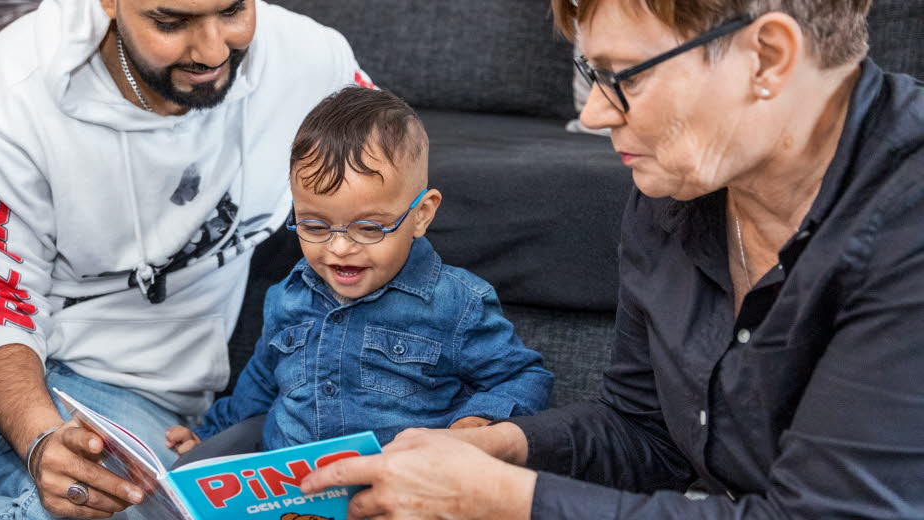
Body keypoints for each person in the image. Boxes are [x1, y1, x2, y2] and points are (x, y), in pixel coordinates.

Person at [298, 0, 924, 518]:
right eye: (592, 75)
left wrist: (498, 496)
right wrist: (498, 446)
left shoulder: (907, 222)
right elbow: (647, 429)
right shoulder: (676, 191)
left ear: (767, 58)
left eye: (625, 76)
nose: (595, 113)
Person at [0, 0, 374, 517]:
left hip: (138, 401)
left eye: (233, 11)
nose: (212, 51)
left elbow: (393, 194)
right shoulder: (15, 84)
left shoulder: (314, 64)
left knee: (126, 511)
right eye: (171, 21)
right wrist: (40, 436)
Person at [163, 87, 553, 462]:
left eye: (369, 228)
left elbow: (523, 377)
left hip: (400, 493)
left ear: (421, 214)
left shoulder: (457, 304)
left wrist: (476, 425)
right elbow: (260, 386)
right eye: (314, 226)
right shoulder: (286, 298)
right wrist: (208, 435)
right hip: (292, 495)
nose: (340, 248)